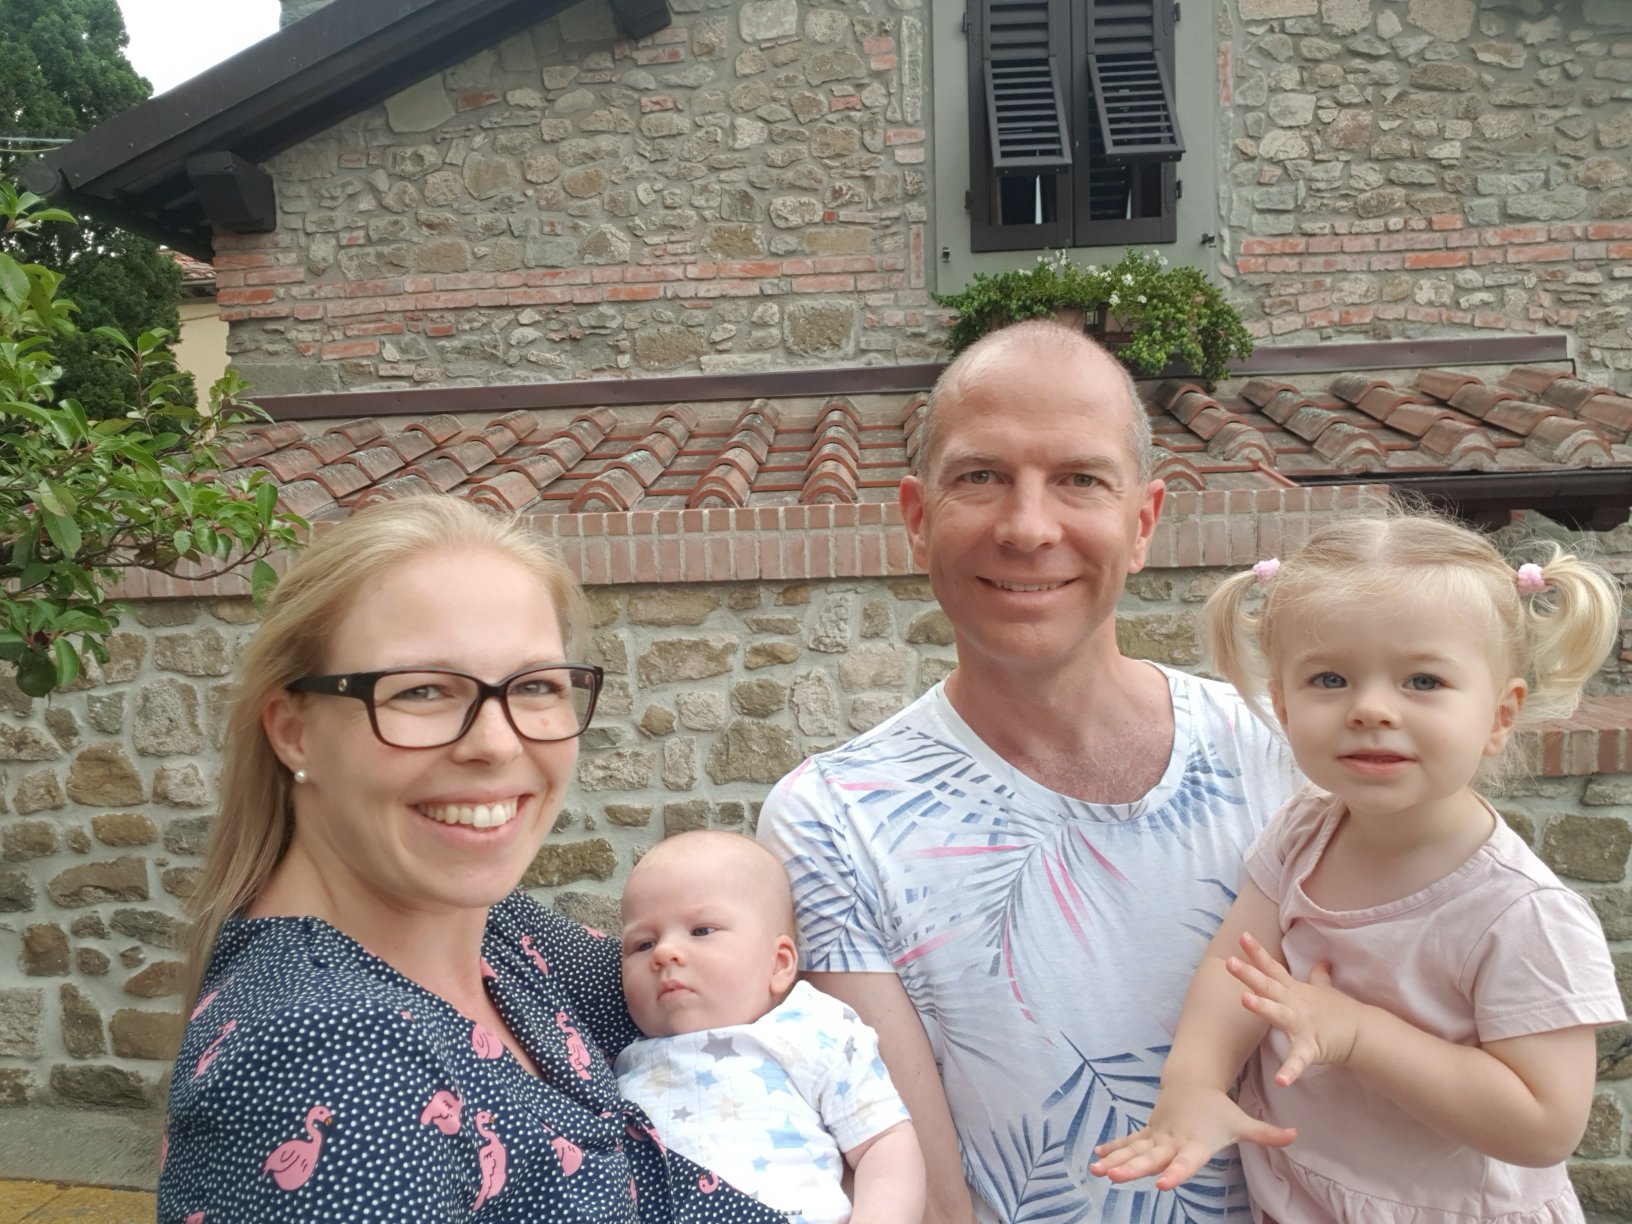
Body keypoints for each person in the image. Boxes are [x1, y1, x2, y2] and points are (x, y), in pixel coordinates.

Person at [757, 320, 1302, 1223]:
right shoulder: (832, 821)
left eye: (1080, 479)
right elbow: (925, 1198)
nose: (1027, 528)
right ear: (917, 518)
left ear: (1143, 523)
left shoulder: (1285, 757)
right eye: (981, 477)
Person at [159, 496, 785, 1223]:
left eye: (535, 686)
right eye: (422, 689)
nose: (496, 743)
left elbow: (728, 989)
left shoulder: (493, 933)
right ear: (294, 731)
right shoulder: (332, 1062)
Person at [1090, 515, 1625, 1221]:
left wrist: (1357, 1033)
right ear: (1284, 707)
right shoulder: (1304, 830)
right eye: (1331, 678)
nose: (1371, 708)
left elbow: (1544, 1125)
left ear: (1500, 715)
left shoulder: (1521, 913)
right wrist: (1193, 1086)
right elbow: (1236, 967)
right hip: (1303, 1196)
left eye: (1423, 680)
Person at [615, 830, 925, 1224]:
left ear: (779, 963)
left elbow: (884, 1142)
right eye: (642, 944)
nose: (663, 953)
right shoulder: (615, 1062)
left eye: (701, 931)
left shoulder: (814, 1028)